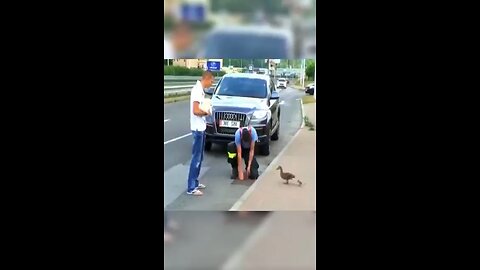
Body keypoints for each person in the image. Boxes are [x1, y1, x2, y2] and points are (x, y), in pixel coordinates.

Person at [186, 71, 214, 195]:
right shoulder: (197, 90)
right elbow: (196, 111)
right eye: (211, 81)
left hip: (201, 128)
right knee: (196, 158)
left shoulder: (201, 91)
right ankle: (191, 187)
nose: (212, 83)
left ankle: (195, 182)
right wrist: (206, 112)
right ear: (206, 79)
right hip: (197, 129)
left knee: (200, 157)